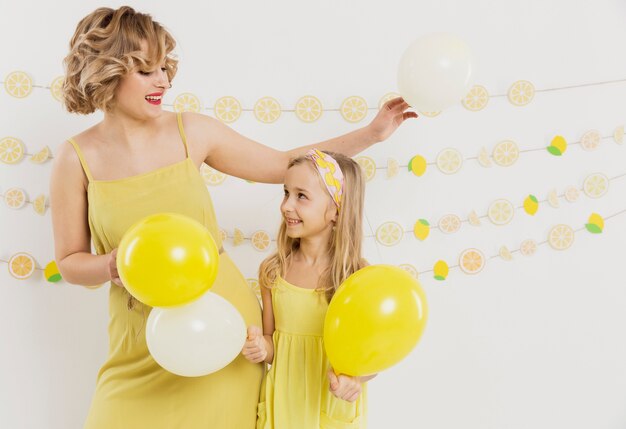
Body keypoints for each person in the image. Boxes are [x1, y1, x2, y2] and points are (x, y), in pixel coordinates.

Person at [50, 6, 415, 429]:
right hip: (140, 344)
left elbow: (284, 165)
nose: (164, 81)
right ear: (108, 72)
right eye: (146, 71)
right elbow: (70, 262)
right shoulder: (76, 158)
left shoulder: (193, 131)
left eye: (165, 67)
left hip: (223, 336)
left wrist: (372, 133)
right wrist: (114, 264)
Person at [242, 149, 374, 428]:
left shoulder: (357, 277)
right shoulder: (273, 271)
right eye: (286, 193)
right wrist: (260, 348)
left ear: (336, 210)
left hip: (329, 404)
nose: (287, 206)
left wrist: (356, 380)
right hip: (284, 405)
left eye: (301, 196)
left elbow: (371, 354)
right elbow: (273, 343)